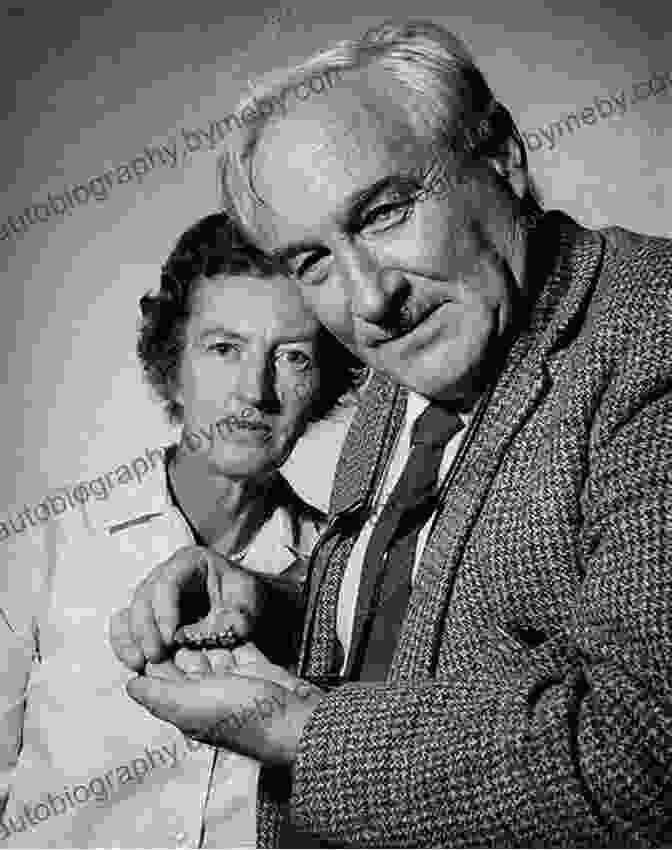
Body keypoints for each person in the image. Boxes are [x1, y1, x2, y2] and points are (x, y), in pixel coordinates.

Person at [110, 19, 672, 847]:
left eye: (383, 213)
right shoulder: (411, 357)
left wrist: (301, 733)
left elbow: (642, 758)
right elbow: (412, 626)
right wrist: (266, 607)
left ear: (503, 157)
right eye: (312, 261)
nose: (368, 300)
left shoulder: (652, 333)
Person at [0, 212, 359, 848]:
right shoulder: (43, 552)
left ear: (323, 381)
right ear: (172, 364)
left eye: (294, 358)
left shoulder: (347, 578)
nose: (256, 390)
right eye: (225, 349)